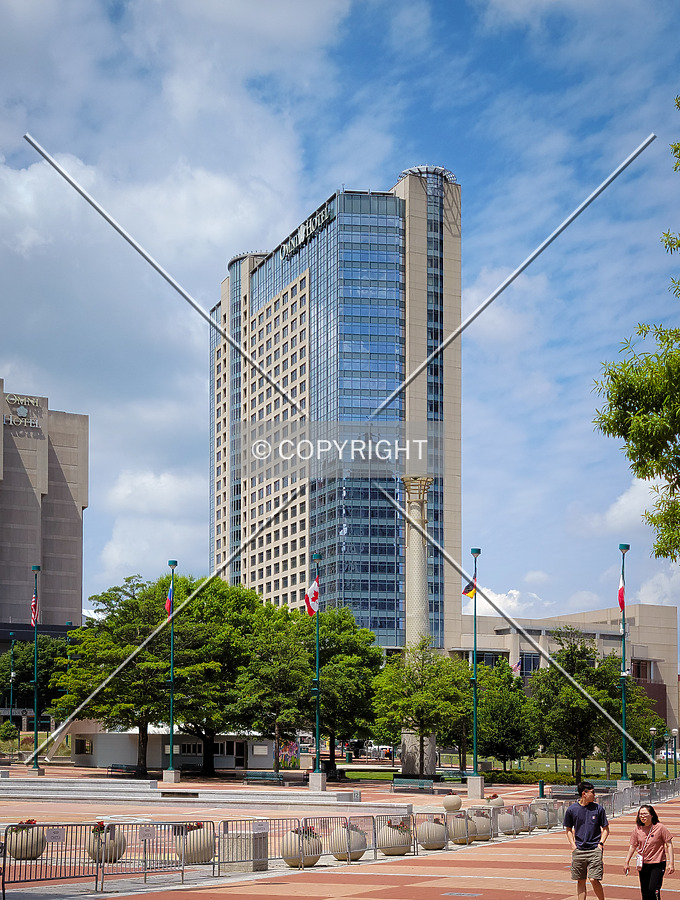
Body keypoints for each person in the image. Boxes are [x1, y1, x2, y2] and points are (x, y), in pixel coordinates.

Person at [564, 781, 610, 900]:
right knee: (580, 881)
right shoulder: (572, 810)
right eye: (592, 793)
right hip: (579, 850)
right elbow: (568, 829)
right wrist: (573, 845)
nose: (595, 795)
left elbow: (605, 829)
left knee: (594, 879)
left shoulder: (598, 809)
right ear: (584, 794)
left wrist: (600, 844)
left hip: (594, 849)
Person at [624, 805, 674, 900]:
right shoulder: (637, 829)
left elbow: (669, 844)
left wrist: (671, 863)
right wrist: (626, 862)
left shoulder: (660, 828)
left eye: (645, 814)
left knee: (653, 889)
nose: (642, 816)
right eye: (640, 814)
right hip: (643, 864)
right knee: (645, 891)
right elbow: (633, 845)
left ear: (652, 815)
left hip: (657, 863)